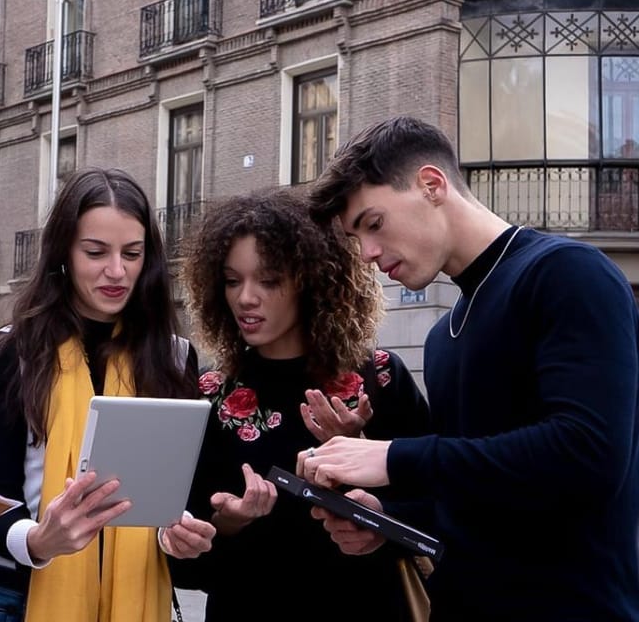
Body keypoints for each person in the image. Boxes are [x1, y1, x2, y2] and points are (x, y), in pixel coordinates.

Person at [303, 116, 639, 620]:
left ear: (431, 185)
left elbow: (587, 455)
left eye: (374, 224)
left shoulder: (567, 273)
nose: (368, 254)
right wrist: (386, 518)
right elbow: (477, 496)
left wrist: (393, 458)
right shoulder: (443, 335)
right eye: (357, 238)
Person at [0, 167, 216, 622]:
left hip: (140, 592)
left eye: (132, 253)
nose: (116, 271)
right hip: (14, 600)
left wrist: (178, 534)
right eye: (95, 252)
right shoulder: (10, 353)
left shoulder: (176, 357)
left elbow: (176, 495)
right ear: (63, 252)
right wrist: (39, 540)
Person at [169, 188, 431, 620]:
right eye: (233, 280)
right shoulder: (208, 393)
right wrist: (232, 521)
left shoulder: (379, 377)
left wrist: (361, 457)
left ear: (311, 281)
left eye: (268, 280)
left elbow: (438, 503)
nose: (245, 298)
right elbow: (184, 560)